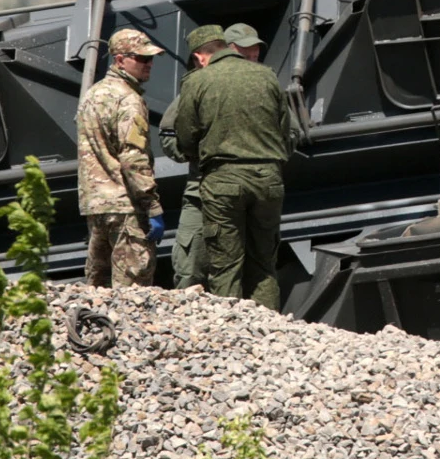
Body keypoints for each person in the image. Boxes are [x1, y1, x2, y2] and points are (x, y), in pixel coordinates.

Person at [174, 22, 293, 309]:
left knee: (226, 265)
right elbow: (285, 131)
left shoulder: (197, 81)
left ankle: (234, 335)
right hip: (268, 178)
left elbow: (185, 136)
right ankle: (271, 332)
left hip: (223, 181)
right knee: (264, 262)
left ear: (201, 56)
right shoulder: (267, 76)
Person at [76, 27, 166, 288]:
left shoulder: (92, 95)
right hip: (126, 206)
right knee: (132, 294)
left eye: (150, 59)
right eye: (141, 58)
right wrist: (152, 205)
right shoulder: (129, 99)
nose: (148, 64)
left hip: (97, 206)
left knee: (97, 290)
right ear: (119, 60)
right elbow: (132, 158)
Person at [159, 24, 230, 289]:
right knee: (190, 270)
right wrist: (195, 154)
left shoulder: (249, 81)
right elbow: (168, 135)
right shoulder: (193, 88)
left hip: (237, 191)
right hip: (200, 191)